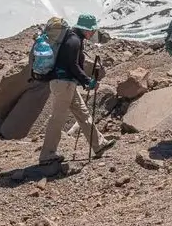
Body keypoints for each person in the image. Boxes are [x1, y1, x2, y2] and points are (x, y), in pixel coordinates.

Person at [38, 14, 116, 166]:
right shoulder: (74, 41)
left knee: (82, 112)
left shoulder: (73, 38)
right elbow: (72, 65)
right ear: (85, 29)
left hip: (66, 84)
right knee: (57, 118)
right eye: (92, 30)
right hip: (63, 84)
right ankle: (47, 155)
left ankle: (98, 145)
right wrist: (87, 81)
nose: (92, 33)